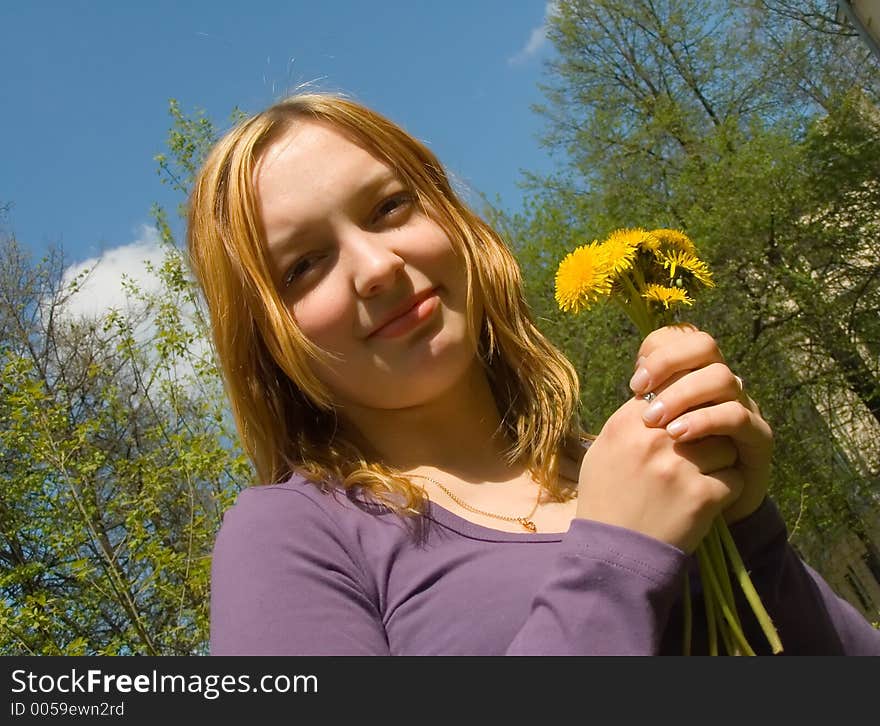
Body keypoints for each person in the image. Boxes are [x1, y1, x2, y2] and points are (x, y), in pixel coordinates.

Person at [187, 92, 880, 655]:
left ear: (453, 219)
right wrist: (615, 563)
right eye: (304, 265)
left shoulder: (619, 468)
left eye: (389, 208)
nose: (377, 268)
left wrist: (748, 532)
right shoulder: (291, 536)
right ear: (266, 342)